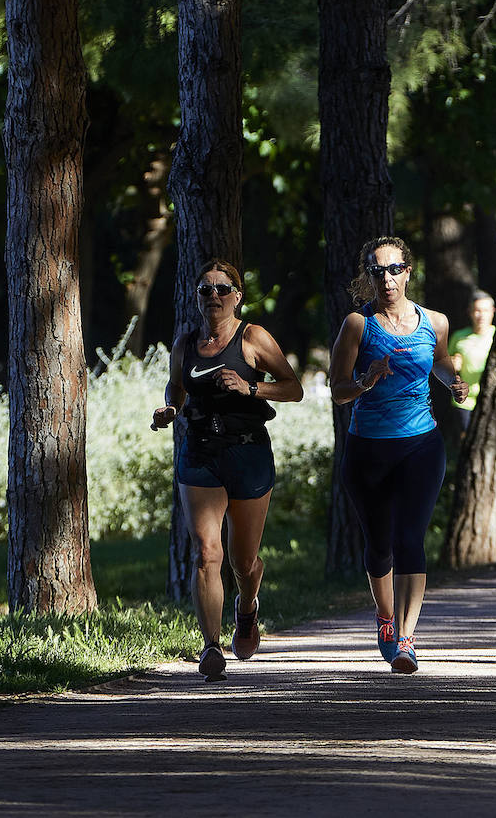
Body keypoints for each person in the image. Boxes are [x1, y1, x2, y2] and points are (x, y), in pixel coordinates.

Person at [151, 259, 304, 682]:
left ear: (237, 296)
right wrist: (170, 409)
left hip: (248, 451)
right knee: (206, 553)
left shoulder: (253, 337)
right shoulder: (185, 343)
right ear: (197, 298)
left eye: (222, 289)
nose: (214, 296)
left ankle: (247, 608)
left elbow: (294, 388)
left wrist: (251, 387)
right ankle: (211, 647)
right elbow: (177, 387)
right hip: (199, 452)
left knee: (244, 560)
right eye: (205, 290)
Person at [328, 235, 469, 674]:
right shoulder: (357, 325)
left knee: (411, 538)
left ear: (408, 271)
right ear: (368, 277)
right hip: (368, 447)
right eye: (376, 271)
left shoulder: (436, 321)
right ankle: (386, 618)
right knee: (378, 545)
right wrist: (366, 381)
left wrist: (454, 383)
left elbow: (441, 361)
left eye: (393, 269)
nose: (386, 279)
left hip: (421, 444)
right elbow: (337, 390)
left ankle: (407, 637)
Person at [448, 289, 496, 430]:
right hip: (465, 402)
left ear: (493, 311)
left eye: (486, 310)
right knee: (466, 446)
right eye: (477, 311)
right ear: (470, 312)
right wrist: (452, 366)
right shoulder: (459, 337)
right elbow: (445, 367)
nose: (481, 315)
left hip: (492, 401)